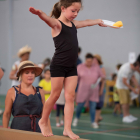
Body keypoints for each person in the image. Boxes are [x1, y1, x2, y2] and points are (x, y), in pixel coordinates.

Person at [29, 0, 106, 138]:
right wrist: (40, 13)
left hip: (71, 66)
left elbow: (86, 22)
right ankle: (43, 121)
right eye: (73, 11)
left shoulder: (74, 24)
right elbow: (48, 20)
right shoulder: (57, 25)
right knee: (55, 95)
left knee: (70, 97)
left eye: (77, 11)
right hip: (58, 65)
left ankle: (67, 129)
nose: (76, 14)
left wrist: (98, 21)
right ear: (63, 8)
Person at [3, 61, 52, 133]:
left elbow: (45, 116)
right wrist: (5, 133)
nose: (30, 75)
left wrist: (50, 132)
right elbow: (7, 114)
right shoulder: (12, 91)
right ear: (20, 74)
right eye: (27, 72)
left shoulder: (40, 91)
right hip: (17, 132)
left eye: (32, 72)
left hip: (37, 132)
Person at [72, 53, 105, 128]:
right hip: (82, 90)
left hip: (94, 91)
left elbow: (102, 76)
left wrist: (102, 78)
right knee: (80, 106)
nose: (89, 63)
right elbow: (75, 79)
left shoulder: (97, 67)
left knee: (93, 107)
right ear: (85, 60)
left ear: (93, 61)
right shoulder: (80, 67)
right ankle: (76, 118)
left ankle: (93, 122)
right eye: (88, 61)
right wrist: (74, 91)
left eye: (91, 61)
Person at [116, 55, 140, 123]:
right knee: (124, 102)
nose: (138, 69)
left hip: (126, 86)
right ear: (134, 66)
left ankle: (128, 115)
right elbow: (124, 81)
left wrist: (137, 86)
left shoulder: (133, 68)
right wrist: (132, 89)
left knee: (128, 101)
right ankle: (125, 116)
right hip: (121, 86)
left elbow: (133, 77)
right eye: (138, 68)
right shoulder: (126, 69)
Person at [93, 54, 106, 128]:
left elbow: (103, 80)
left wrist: (101, 90)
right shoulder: (92, 68)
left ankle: (96, 121)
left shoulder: (101, 68)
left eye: (94, 59)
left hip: (100, 89)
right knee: (93, 105)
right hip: (93, 90)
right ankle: (98, 118)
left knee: (98, 106)